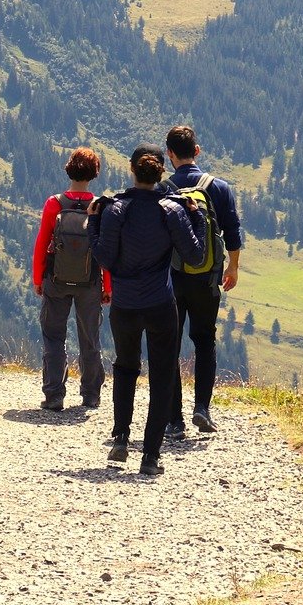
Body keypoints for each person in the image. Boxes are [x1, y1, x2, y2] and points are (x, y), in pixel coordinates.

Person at [89, 144, 206, 475]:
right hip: (159, 303)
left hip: (124, 305)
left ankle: (121, 439)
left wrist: (94, 223)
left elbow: (104, 258)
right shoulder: (173, 209)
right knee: (162, 375)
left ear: (132, 170)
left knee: (125, 368)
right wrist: (195, 215)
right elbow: (195, 256)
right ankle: (150, 457)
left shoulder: (114, 209)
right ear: (160, 174)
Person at [163, 125, 244, 437]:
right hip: (208, 279)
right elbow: (233, 232)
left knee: (169, 343)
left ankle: (174, 420)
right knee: (205, 341)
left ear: (170, 154)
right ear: (196, 151)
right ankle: (202, 409)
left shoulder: (163, 189)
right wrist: (233, 267)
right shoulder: (219, 188)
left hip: (171, 280)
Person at [31, 147, 111, 411]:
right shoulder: (99, 206)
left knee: (54, 336)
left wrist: (38, 278)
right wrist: (108, 285)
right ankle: (90, 395)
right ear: (94, 173)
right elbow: (105, 249)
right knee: (90, 337)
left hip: (56, 278)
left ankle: (54, 395)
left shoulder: (54, 203)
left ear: (69, 169)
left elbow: (42, 243)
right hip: (90, 281)